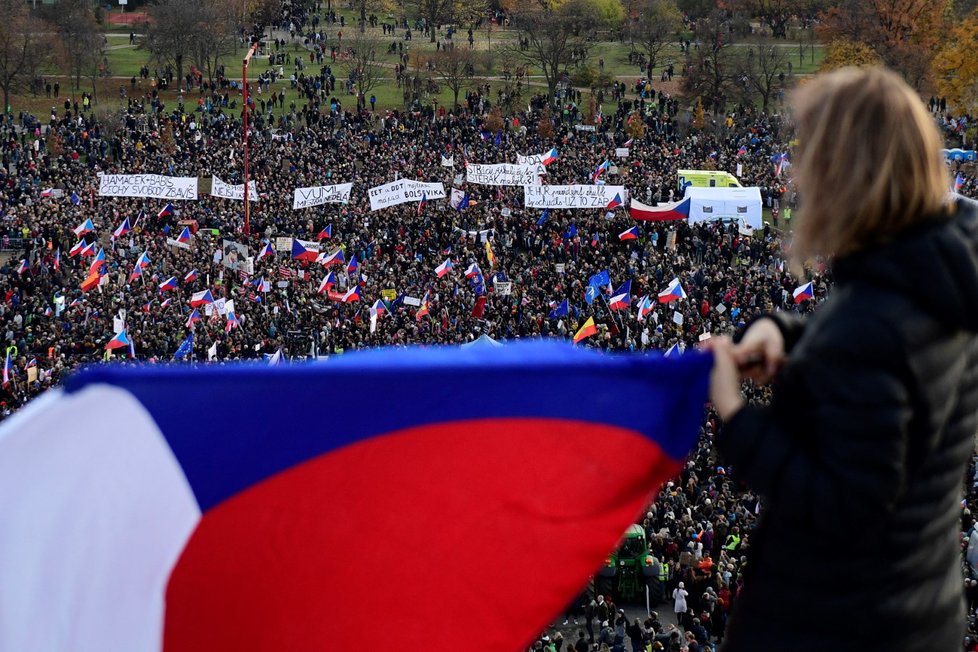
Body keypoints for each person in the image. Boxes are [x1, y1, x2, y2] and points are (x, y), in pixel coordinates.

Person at [705, 66, 978, 651]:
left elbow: (845, 506)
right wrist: (784, 333)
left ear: (846, 176)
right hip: (919, 609)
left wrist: (735, 417)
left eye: (812, 154)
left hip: (839, 624)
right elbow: (890, 369)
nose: (798, 173)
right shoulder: (947, 270)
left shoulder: (874, 321)